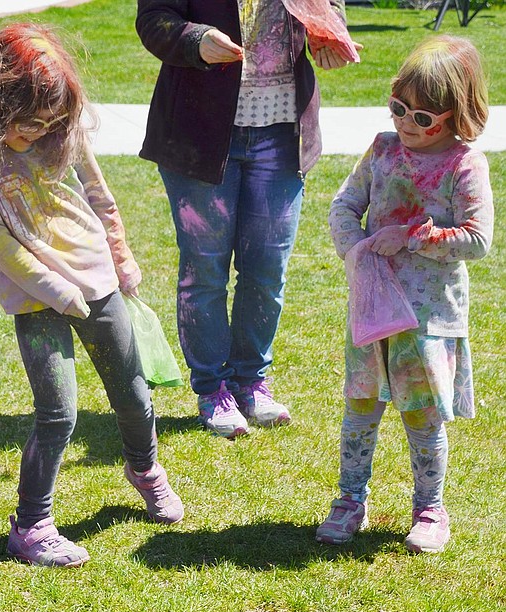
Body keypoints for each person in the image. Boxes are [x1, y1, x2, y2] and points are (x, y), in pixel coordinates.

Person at [0, 23, 184, 568]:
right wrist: (56, 290)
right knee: (58, 413)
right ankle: (32, 527)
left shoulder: (61, 128)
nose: (42, 132)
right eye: (30, 124)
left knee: (135, 396)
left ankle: (144, 469)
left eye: (51, 122)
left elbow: (101, 195)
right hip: (34, 298)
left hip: (96, 280)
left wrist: (120, 257)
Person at [136, 0, 359, 439]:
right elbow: (154, 20)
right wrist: (195, 40)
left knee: (267, 270)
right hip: (199, 133)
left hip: (283, 133)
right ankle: (212, 388)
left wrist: (328, 32)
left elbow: (328, 4)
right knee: (205, 270)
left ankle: (252, 382)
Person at [318, 35, 493, 553]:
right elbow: (343, 207)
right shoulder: (382, 149)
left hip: (428, 316)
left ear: (452, 115)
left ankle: (430, 509)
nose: (405, 123)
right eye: (398, 108)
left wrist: (416, 236)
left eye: (422, 118)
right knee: (361, 407)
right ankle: (350, 499)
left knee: (422, 414)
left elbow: (478, 239)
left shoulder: (464, 164)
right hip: (373, 308)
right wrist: (357, 251)